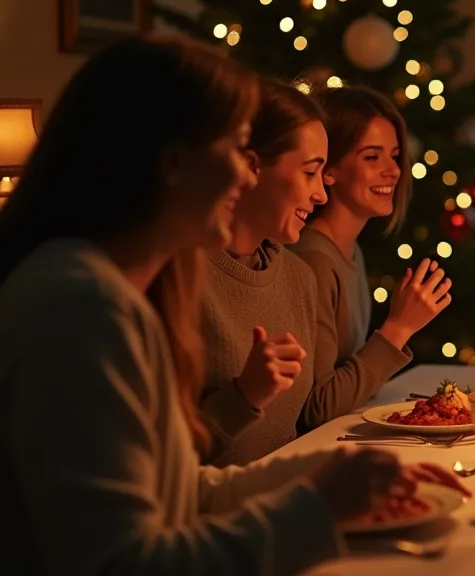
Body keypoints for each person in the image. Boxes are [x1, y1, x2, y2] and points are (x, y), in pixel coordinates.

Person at [0, 36, 428, 575]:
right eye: (237, 150)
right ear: (174, 162)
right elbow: (124, 564)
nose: (247, 174)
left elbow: (181, 492)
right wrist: (318, 510)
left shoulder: (114, 292)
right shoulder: (81, 311)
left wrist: (328, 472)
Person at [292, 86, 451, 430]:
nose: (393, 170)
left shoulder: (351, 251)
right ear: (328, 169)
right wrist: (399, 328)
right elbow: (315, 409)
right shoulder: (315, 260)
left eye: (394, 155)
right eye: (371, 157)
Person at [197, 79, 329, 465]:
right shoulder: (179, 275)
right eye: (310, 172)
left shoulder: (299, 277)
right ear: (252, 167)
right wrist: (244, 396)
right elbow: (160, 459)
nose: (321, 194)